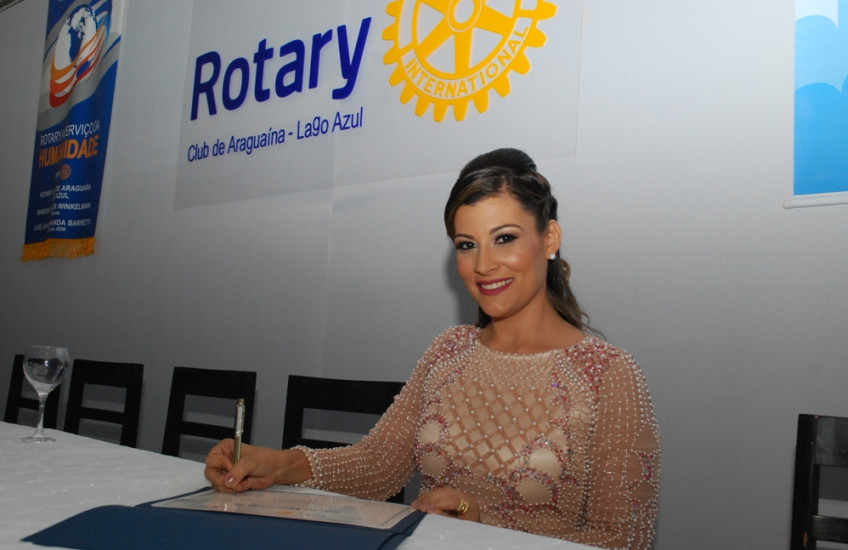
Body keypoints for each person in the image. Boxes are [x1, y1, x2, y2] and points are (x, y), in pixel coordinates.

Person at [205, 148, 660, 549]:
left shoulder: (609, 374)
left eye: (504, 238)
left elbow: (624, 539)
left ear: (550, 239)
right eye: (467, 245)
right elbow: (378, 466)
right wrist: (278, 465)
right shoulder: (449, 351)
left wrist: (486, 525)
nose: (483, 264)